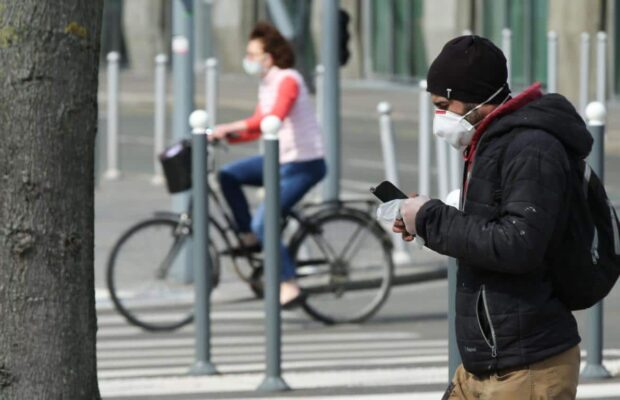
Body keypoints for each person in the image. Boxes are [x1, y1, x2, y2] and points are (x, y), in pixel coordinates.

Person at [393, 36, 590, 399]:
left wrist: (433, 218)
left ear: (475, 97)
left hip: (527, 366)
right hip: (487, 360)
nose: (440, 116)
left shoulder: (532, 147)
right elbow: (490, 228)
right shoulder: (492, 141)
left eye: (444, 104)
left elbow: (517, 244)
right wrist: (423, 222)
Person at [210, 22, 326, 308]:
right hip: (280, 159)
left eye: (252, 54)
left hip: (303, 163)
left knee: (265, 222)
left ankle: (289, 284)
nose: (248, 60)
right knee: (228, 176)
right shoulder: (267, 82)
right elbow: (258, 127)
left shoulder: (288, 80)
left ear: (269, 57)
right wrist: (222, 136)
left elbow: (274, 116)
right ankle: (248, 236)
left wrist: (229, 125)